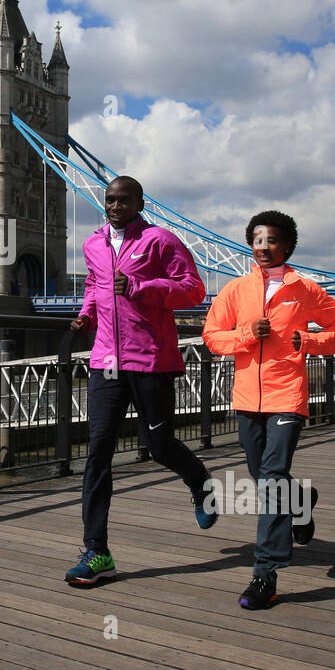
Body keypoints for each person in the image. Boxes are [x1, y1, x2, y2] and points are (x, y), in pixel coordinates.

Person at [64, 176, 211, 586]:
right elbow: (95, 287)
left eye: (123, 200)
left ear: (139, 203)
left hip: (150, 360)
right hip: (106, 362)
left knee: (159, 445)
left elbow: (193, 290)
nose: (114, 206)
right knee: (98, 452)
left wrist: (142, 287)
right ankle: (97, 550)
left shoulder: (161, 241)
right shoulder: (93, 244)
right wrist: (86, 316)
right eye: (109, 200)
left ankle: (199, 482)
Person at [202, 211, 335, 610]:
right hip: (247, 398)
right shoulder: (235, 290)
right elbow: (212, 337)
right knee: (262, 476)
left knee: (270, 479)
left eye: (270, 241)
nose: (262, 248)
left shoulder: (304, 289)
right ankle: (300, 502)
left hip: (287, 396)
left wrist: (309, 341)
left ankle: (264, 575)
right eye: (256, 240)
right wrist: (247, 334)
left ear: (287, 246)